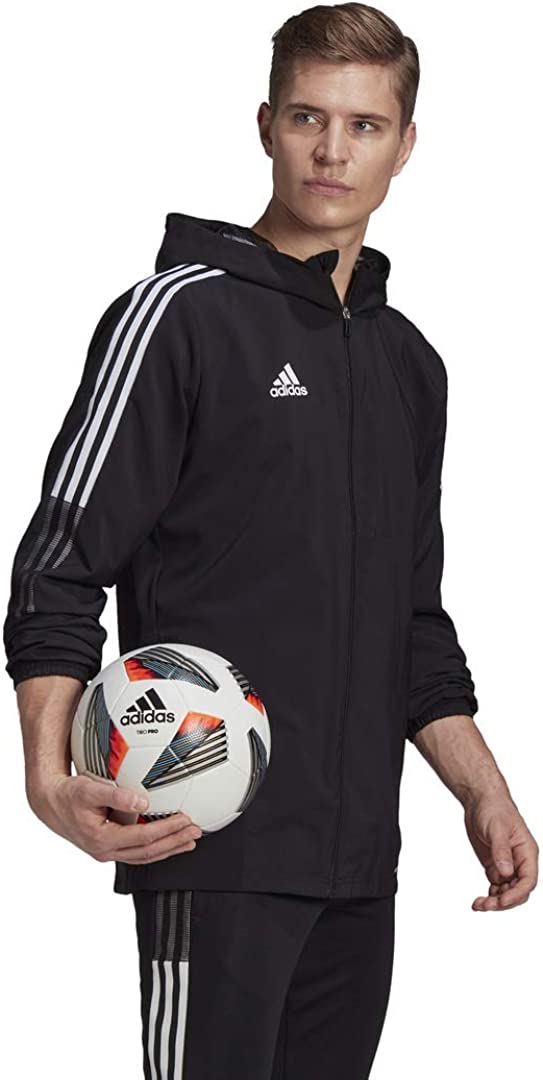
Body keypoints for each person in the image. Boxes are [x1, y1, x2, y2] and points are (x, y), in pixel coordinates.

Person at [4, 4, 539, 1079]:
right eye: (307, 117)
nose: (333, 151)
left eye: (364, 125)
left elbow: (411, 620)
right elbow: (59, 567)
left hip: (360, 867)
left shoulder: (408, 364)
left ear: (405, 145)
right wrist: (48, 779)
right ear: (265, 126)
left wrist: (483, 791)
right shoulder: (176, 317)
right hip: (204, 839)